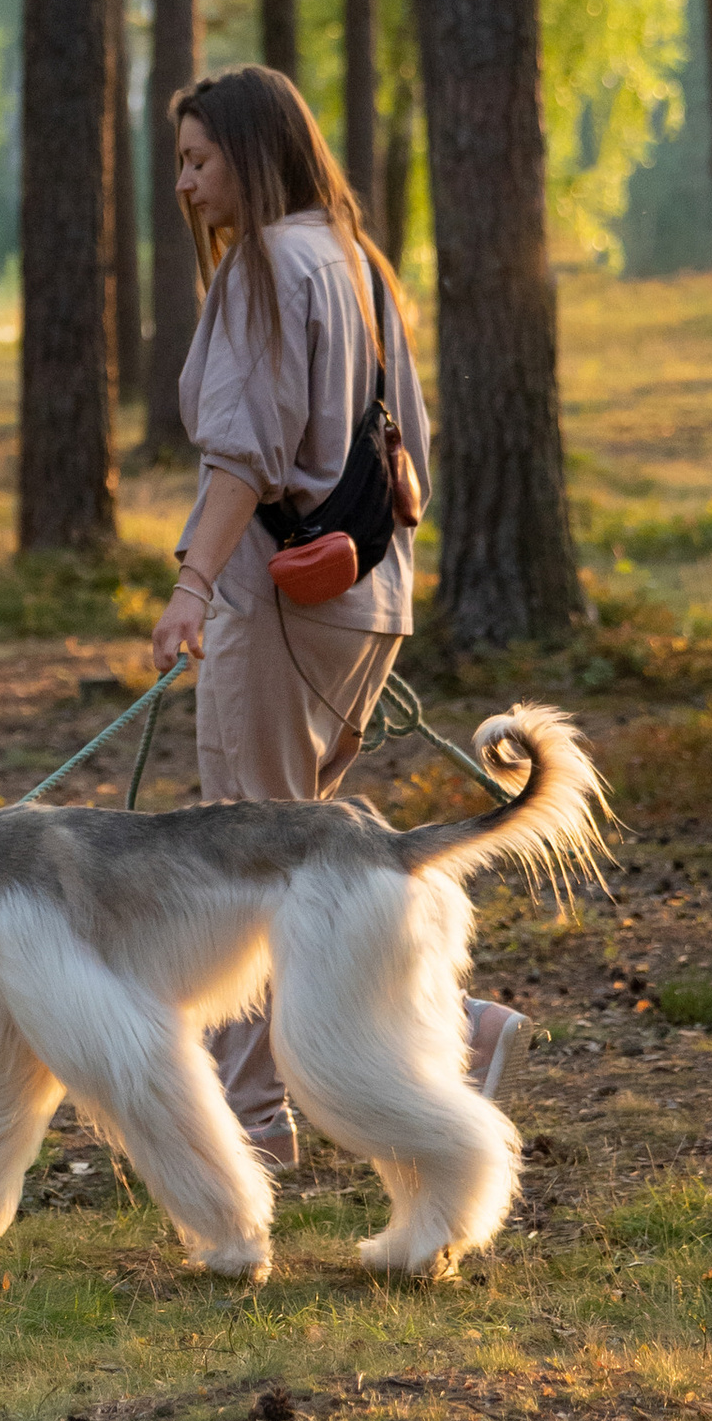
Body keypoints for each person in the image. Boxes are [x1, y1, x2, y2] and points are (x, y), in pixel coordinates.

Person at [146, 60, 526, 1170]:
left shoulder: (269, 263)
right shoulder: (357, 259)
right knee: (308, 863)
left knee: (245, 860)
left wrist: (189, 589)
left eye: (200, 159)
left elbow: (240, 457)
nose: (185, 184)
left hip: (278, 600)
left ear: (255, 157)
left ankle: (252, 1125)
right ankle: (463, 1031)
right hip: (365, 598)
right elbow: (410, 447)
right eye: (179, 161)